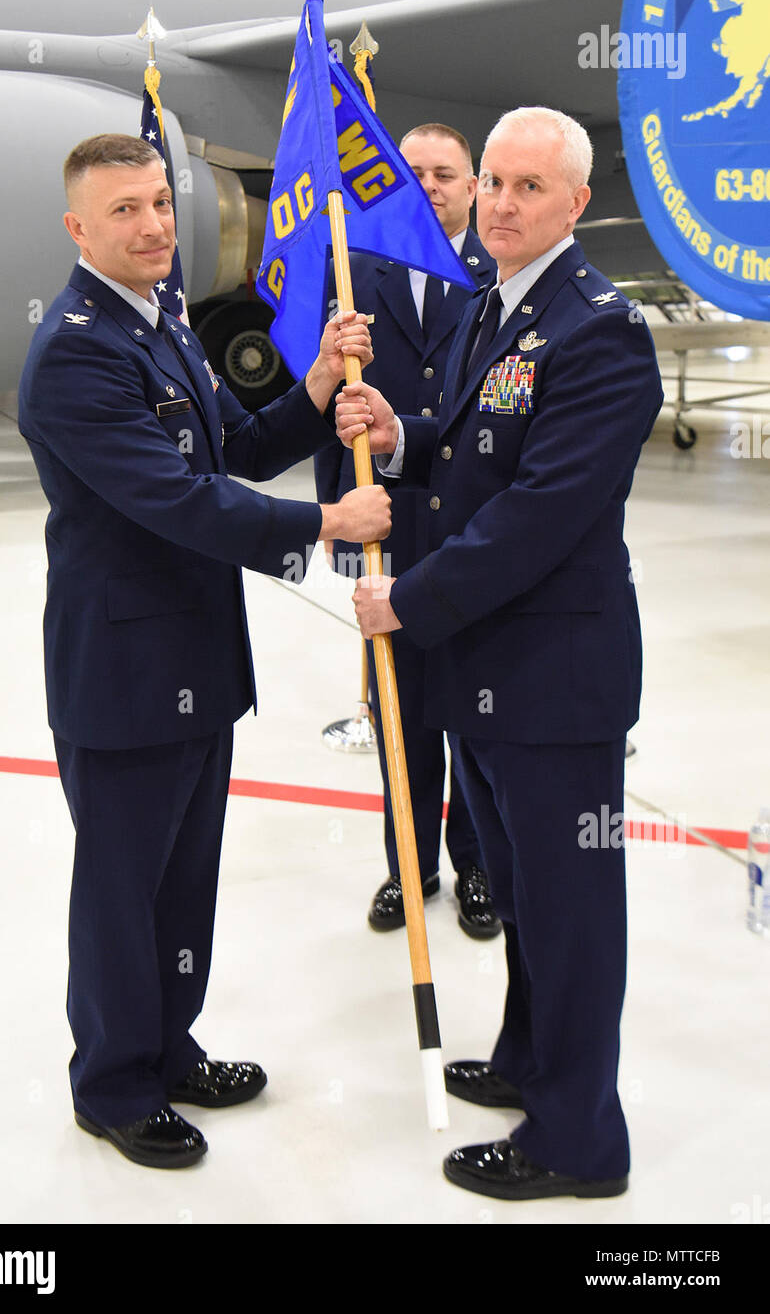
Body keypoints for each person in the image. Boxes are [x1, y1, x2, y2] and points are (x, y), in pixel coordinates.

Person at [18, 133, 390, 1170]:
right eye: (123, 211)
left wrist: (313, 386)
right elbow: (182, 501)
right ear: (77, 229)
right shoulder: (79, 350)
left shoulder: (164, 320)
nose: (151, 226)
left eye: (156, 204)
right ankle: (113, 1085)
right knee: (121, 887)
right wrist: (325, 526)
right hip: (124, 669)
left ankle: (167, 1045)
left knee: (183, 879)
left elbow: (232, 447)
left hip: (192, 654)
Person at [339, 107, 663, 1201]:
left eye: (531, 187)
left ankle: (578, 1140)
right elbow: (477, 445)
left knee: (570, 914)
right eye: (493, 183)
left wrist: (409, 602)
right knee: (524, 892)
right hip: (491, 668)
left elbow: (540, 510)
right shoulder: (499, 304)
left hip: (553, 681)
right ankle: (530, 1060)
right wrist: (400, 434)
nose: (503, 203)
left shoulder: (598, 329)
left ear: (576, 202)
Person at [315, 124, 501, 938]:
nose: (427, 185)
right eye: (411, 172)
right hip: (388, 532)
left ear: (471, 186)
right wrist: (341, 524)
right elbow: (336, 412)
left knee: (477, 715)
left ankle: (481, 869)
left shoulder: (503, 278)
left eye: (445, 174)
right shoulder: (355, 273)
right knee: (403, 713)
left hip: (473, 541)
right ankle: (409, 867)